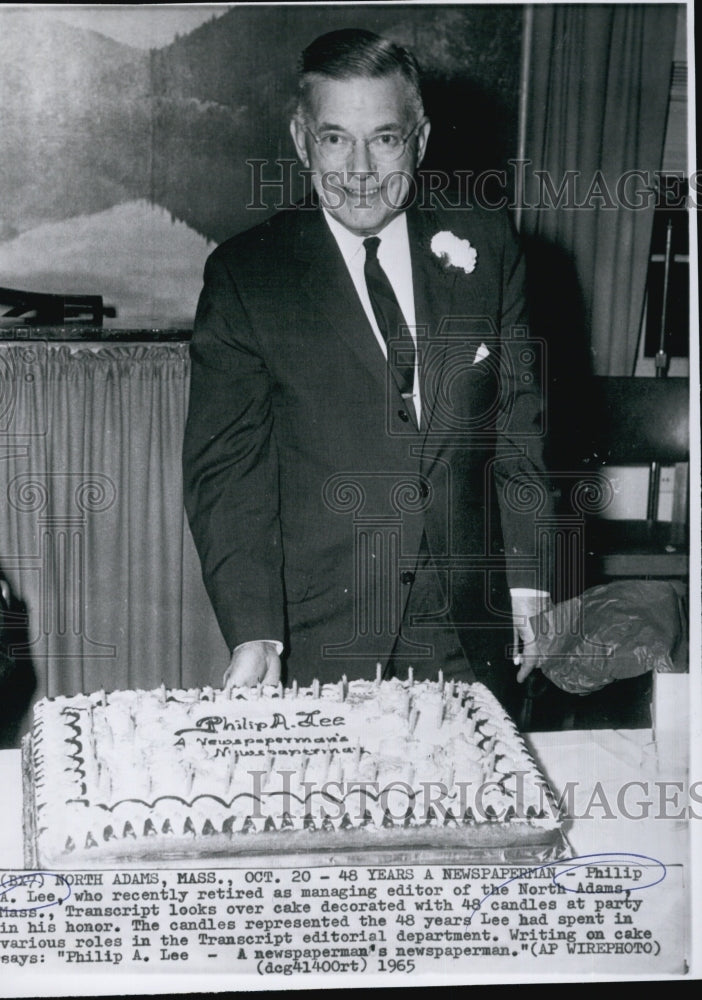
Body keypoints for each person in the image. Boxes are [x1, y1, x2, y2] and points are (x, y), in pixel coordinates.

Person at [183, 28, 554, 717]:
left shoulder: (489, 243)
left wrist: (531, 581)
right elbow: (227, 474)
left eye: (383, 138)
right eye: (334, 139)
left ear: (419, 139)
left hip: (470, 627)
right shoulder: (247, 278)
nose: (358, 167)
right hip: (323, 633)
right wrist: (255, 629)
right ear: (301, 140)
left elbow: (517, 425)